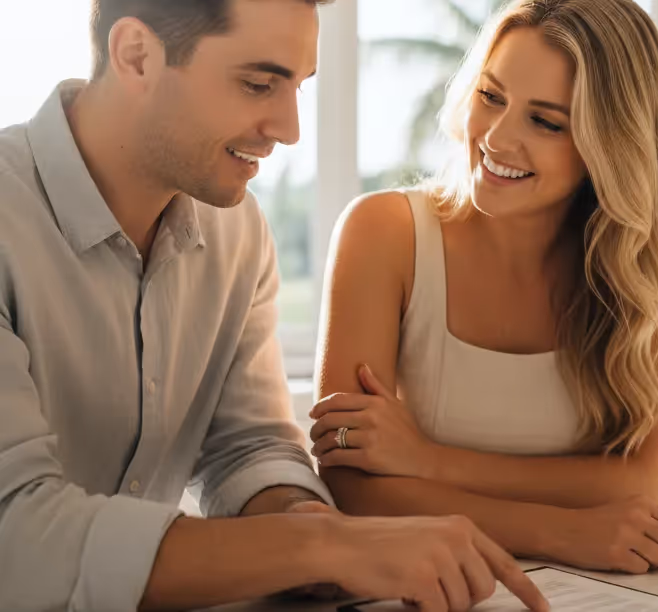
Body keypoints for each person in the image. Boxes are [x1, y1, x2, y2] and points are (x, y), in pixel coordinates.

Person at [0, 1, 547, 611]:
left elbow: (248, 447)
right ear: (137, 55)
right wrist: (319, 545)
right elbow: (17, 536)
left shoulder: (236, 234)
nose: (289, 129)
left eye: (298, 87)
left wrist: (315, 528)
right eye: (258, 83)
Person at [312, 0, 658, 575]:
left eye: (545, 122)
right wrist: (563, 530)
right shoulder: (383, 233)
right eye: (491, 97)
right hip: (436, 581)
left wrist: (428, 462)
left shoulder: (655, 246)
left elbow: (641, 480)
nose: (495, 137)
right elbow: (355, 489)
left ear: (607, 146)